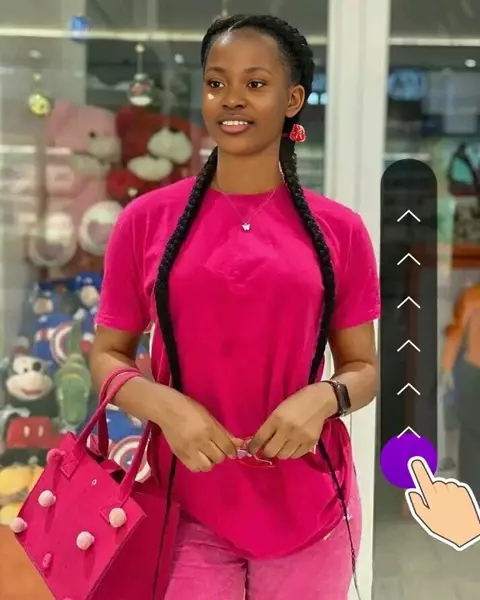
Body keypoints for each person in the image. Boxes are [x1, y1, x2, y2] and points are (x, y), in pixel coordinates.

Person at [91, 14, 380, 600]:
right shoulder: (146, 220)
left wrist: (323, 399)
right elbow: (107, 355)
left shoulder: (340, 229)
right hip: (181, 506)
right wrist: (168, 408)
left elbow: (364, 368)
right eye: (216, 82)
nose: (231, 99)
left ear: (292, 100)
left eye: (255, 83)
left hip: (311, 508)